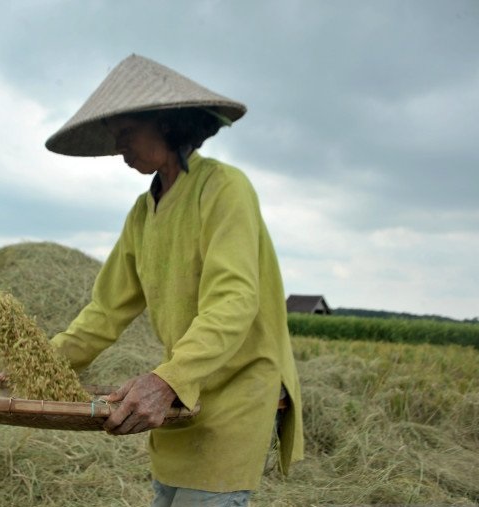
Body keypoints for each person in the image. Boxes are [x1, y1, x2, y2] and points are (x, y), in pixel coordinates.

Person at [43, 54, 304, 505]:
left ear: (166, 123)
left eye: (126, 133)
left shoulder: (223, 188)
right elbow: (106, 310)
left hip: (231, 390)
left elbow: (234, 299)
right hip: (182, 400)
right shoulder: (143, 213)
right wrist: (47, 362)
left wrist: (167, 380)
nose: (120, 148)